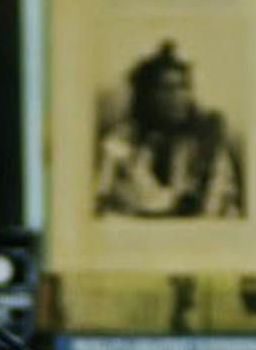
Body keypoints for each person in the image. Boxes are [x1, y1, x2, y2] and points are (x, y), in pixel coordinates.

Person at [92, 40, 244, 218]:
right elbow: (105, 201)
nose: (178, 97)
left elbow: (222, 201)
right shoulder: (119, 142)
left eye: (183, 87)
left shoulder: (206, 142)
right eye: (167, 88)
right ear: (147, 95)